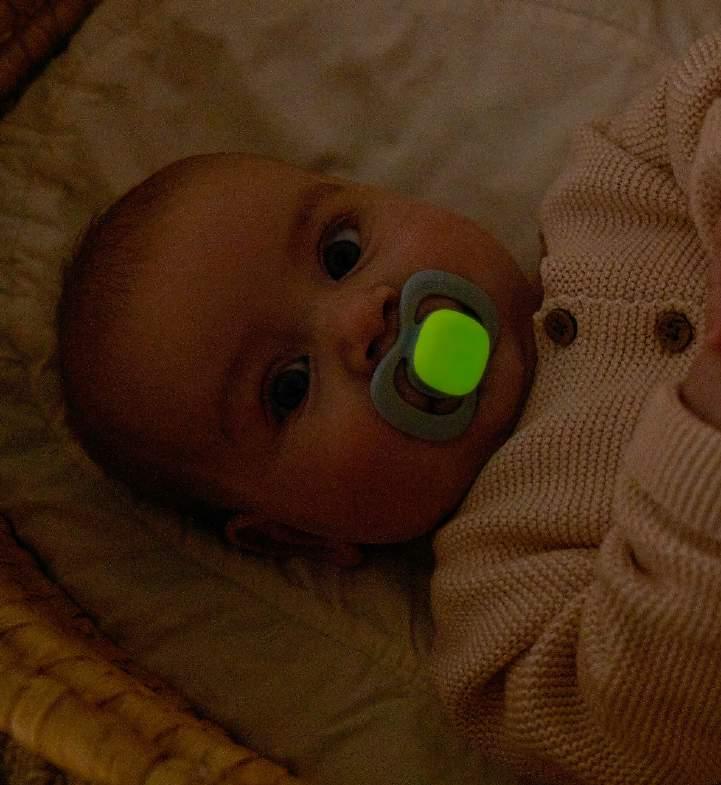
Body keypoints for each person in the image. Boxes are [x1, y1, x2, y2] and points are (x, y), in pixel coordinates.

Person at [56, 27, 721, 785]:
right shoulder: (502, 607)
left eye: (340, 253)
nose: (361, 319)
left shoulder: (614, 191)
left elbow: (702, 89)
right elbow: (638, 721)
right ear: (297, 535)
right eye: (288, 386)